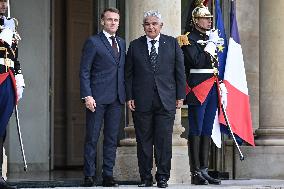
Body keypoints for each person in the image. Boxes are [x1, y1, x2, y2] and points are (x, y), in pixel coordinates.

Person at [125, 10, 186, 188]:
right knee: (143, 142)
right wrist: (129, 96)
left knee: (163, 141)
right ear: (143, 26)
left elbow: (179, 71)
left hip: (166, 100)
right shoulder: (135, 45)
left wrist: (180, 96)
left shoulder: (172, 44)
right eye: (147, 24)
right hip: (141, 101)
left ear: (161, 26)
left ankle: (162, 177)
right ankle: (145, 178)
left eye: (154, 24)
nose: (150, 27)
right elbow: (128, 74)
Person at [177, 2, 227, 185]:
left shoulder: (209, 37)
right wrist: (210, 46)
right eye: (205, 18)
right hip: (198, 88)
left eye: (209, 19)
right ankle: (195, 172)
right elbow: (196, 62)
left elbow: (213, 66)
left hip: (212, 87)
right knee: (196, 128)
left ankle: (204, 169)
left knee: (207, 128)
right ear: (195, 20)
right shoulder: (188, 39)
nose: (208, 21)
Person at [79, 7, 125, 187]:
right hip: (96, 98)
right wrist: (87, 95)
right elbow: (84, 70)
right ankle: (89, 176)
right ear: (102, 21)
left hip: (116, 98)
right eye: (109, 19)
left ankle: (108, 175)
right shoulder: (93, 42)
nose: (113, 23)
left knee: (112, 139)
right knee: (92, 137)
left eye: (116, 20)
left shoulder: (122, 42)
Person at [0, 0, 25, 188]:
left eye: (4, 1)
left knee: (2, 129)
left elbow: (13, 54)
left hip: (7, 79)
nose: (3, 5)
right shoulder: (5, 28)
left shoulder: (9, 23)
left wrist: (19, 75)